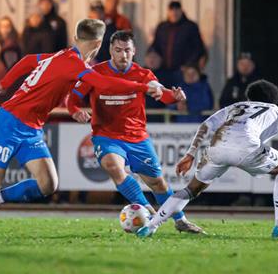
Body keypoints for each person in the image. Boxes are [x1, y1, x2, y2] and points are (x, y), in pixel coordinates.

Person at [0, 19, 163, 236]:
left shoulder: (63, 55)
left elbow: (27, 60)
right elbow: (104, 83)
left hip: (31, 128)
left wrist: (4, 83)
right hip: (9, 123)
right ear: (98, 44)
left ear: (76, 37)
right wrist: (144, 86)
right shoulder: (74, 64)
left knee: (48, 184)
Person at [137, 80, 278, 238]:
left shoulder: (236, 106)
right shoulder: (277, 111)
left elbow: (205, 125)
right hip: (247, 148)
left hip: (217, 147)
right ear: (274, 100)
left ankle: (151, 227)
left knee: (190, 189)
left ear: (249, 97)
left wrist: (190, 153)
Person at [66, 30, 204, 233]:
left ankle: (180, 221)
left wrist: (175, 96)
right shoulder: (93, 73)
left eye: (127, 50)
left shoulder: (143, 74)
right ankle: (148, 212)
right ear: (111, 51)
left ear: (134, 51)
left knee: (158, 183)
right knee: (114, 166)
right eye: (118, 50)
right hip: (107, 135)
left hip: (137, 138)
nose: (123, 55)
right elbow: (73, 100)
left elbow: (162, 94)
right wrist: (75, 111)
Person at [149, 1, 205, 73]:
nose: (174, 13)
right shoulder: (162, 27)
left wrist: (188, 65)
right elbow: (155, 45)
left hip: (182, 71)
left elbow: (198, 48)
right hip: (163, 69)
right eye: (172, 10)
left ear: (181, 11)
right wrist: (151, 58)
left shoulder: (190, 27)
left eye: (177, 10)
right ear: (168, 12)